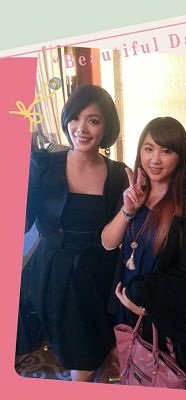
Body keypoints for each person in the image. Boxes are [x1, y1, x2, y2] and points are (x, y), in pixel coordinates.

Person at [101, 117, 186, 391]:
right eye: (148, 149)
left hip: (162, 315)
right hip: (128, 307)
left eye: (166, 151)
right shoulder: (135, 194)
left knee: (163, 378)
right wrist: (128, 210)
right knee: (135, 372)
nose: (155, 159)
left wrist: (145, 306)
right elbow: (108, 243)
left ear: (180, 157)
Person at [23, 84, 129, 381]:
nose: (81, 128)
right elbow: (23, 223)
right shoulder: (43, 165)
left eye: (93, 120)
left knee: (97, 346)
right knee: (77, 353)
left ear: (106, 127)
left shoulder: (118, 174)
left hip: (100, 275)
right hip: (55, 273)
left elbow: (117, 235)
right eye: (75, 118)